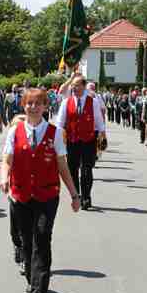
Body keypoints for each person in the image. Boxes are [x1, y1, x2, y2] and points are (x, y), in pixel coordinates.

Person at [0, 89, 80, 293]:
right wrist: (4, 178)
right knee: (26, 241)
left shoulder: (55, 133)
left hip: (47, 195)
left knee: (42, 238)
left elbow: (63, 167)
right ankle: (32, 279)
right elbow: (7, 159)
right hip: (20, 194)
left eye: (38, 103)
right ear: (23, 106)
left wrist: (74, 195)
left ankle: (39, 291)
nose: (33, 107)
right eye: (29, 103)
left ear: (46, 106)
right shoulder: (15, 131)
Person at [56, 75, 106, 210]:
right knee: (72, 168)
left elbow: (99, 120)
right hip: (72, 140)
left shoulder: (93, 102)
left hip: (89, 140)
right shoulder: (67, 102)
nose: (74, 87)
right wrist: (58, 139)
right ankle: (76, 194)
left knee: (86, 169)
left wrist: (103, 133)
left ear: (84, 86)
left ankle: (86, 197)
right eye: (73, 85)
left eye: (77, 85)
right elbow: (60, 123)